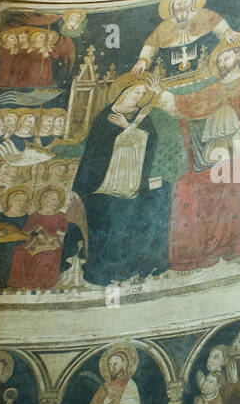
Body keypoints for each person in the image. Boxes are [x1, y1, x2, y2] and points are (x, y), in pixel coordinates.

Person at [149, 36, 240, 270]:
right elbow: (191, 104)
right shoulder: (215, 88)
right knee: (185, 187)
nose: (223, 62)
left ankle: (238, 245)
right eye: (220, 58)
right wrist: (162, 95)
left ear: (239, 56)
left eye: (227, 56)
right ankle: (195, 254)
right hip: (212, 158)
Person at [71, 74, 171, 285]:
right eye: (136, 91)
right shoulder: (106, 117)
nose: (139, 96)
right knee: (109, 217)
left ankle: (137, 267)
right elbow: (97, 150)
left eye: (143, 94)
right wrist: (131, 127)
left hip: (134, 179)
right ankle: (106, 271)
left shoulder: (141, 117)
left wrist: (130, 126)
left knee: (145, 210)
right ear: (124, 92)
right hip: (104, 181)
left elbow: (150, 143)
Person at [8, 186, 76, 292]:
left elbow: (64, 232)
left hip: (54, 243)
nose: (56, 202)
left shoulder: (60, 216)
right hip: (36, 242)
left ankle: (40, 284)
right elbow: (26, 231)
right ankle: (20, 283)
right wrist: (36, 234)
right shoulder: (35, 215)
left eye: (57, 199)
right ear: (45, 200)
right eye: (53, 199)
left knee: (45, 256)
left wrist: (55, 236)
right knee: (19, 252)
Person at [0, 187, 32, 290]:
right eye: (18, 200)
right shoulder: (0, 215)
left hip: (18, 243)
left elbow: (29, 231)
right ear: (10, 200)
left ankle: (3, 281)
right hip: (1, 241)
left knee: (9, 251)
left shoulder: (26, 217)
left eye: (23, 201)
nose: (21, 203)